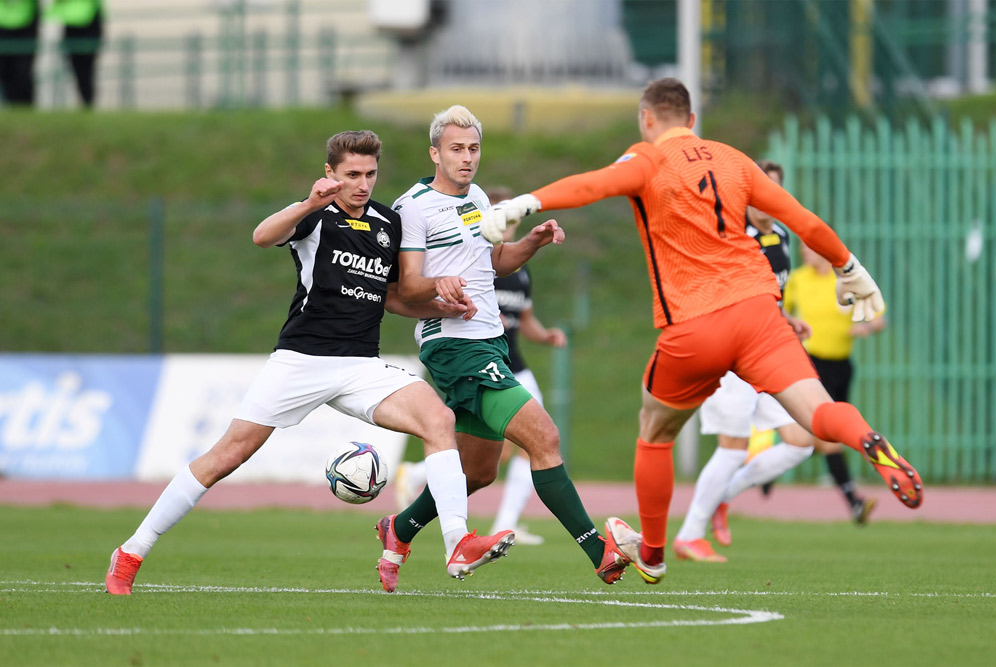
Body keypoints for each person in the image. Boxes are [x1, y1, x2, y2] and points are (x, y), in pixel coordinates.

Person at [480, 77, 922, 586]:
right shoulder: (733, 159)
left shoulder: (646, 159)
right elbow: (799, 217)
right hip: (759, 314)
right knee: (819, 414)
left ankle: (653, 555)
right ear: (692, 121)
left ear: (647, 120)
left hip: (694, 326)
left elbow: (592, 185)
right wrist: (850, 266)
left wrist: (524, 203)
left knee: (655, 433)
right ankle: (866, 438)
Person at [105, 130, 517, 596]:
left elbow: (392, 297)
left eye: (370, 174)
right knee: (228, 455)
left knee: (438, 419)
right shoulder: (315, 216)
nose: (362, 184)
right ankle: (132, 550)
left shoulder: (387, 222)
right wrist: (307, 203)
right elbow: (262, 237)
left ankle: (457, 542)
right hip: (301, 361)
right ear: (330, 174)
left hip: (362, 365)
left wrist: (442, 306)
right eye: (352, 175)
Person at [379, 105, 629, 593]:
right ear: (435, 152)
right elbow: (405, 288)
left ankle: (399, 529)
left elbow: (494, 261)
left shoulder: (475, 198)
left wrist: (532, 242)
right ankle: (600, 552)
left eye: (473, 149)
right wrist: (439, 287)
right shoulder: (412, 207)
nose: (467, 158)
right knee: (545, 438)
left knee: (477, 472)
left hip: (487, 341)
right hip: (454, 346)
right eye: (456, 149)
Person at [394, 185, 568, 546]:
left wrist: (546, 335)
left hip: (509, 360)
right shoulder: (471, 254)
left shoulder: (518, 271)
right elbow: (412, 288)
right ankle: (423, 478)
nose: (507, 220)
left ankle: (499, 518)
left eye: (511, 214)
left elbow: (526, 319)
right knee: (521, 444)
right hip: (478, 357)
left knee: (514, 451)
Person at [672, 160, 818, 563]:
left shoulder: (782, 235)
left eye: (774, 194)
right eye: (758, 194)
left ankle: (723, 496)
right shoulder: (733, 236)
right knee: (733, 447)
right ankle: (689, 535)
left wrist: (786, 319)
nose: (766, 203)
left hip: (769, 350)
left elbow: (768, 293)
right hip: (733, 357)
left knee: (801, 442)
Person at [785, 242, 886, 522]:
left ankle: (770, 453)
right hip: (812, 366)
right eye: (804, 248)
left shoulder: (845, 281)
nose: (806, 252)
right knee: (826, 435)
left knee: (823, 436)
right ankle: (854, 500)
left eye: (812, 247)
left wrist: (865, 327)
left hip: (842, 367)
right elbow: (779, 311)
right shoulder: (798, 280)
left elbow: (879, 319)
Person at [47, 0, 103, 107]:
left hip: (88, 24)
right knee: (79, 69)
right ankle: (86, 101)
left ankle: (88, 101)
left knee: (85, 69)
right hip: (71, 23)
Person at [0, 0, 39, 106]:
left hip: (26, 24)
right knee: (5, 72)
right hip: (3, 25)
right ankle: (11, 105)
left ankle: (24, 105)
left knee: (22, 72)